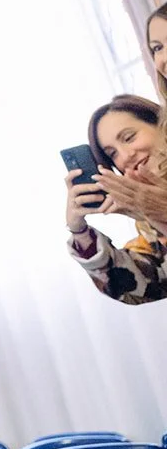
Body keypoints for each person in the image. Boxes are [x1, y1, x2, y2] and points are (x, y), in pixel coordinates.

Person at [66, 95, 167, 303]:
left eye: (129, 137)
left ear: (161, 123)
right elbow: (136, 288)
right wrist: (79, 230)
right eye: (112, 154)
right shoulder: (147, 219)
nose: (126, 156)